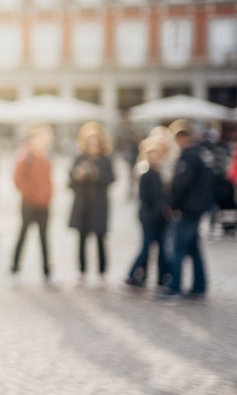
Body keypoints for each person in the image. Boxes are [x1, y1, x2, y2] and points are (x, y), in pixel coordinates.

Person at [158, 120, 216, 299]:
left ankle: (174, 287)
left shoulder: (189, 156)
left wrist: (171, 205)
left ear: (183, 138)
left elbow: (182, 184)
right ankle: (199, 285)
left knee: (179, 248)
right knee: (193, 247)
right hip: (200, 207)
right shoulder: (203, 154)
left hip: (188, 209)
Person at [67, 122, 116, 286]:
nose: (92, 145)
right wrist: (77, 176)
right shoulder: (79, 157)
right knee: (81, 240)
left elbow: (112, 179)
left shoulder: (105, 159)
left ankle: (102, 272)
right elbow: (69, 182)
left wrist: (97, 175)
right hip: (83, 206)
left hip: (99, 205)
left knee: (101, 239)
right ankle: (82, 272)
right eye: (89, 142)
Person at [10, 124, 55, 286]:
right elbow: (17, 180)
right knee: (23, 236)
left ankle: (47, 272)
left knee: (44, 239)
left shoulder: (46, 156)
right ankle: (14, 270)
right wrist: (32, 194)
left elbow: (48, 180)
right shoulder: (25, 156)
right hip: (29, 204)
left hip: (44, 205)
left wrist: (48, 196)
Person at [124, 136, 171, 288]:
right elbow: (148, 197)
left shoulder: (161, 173)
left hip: (158, 217)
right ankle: (134, 274)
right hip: (149, 216)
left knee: (160, 247)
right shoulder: (147, 173)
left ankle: (160, 276)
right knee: (147, 246)